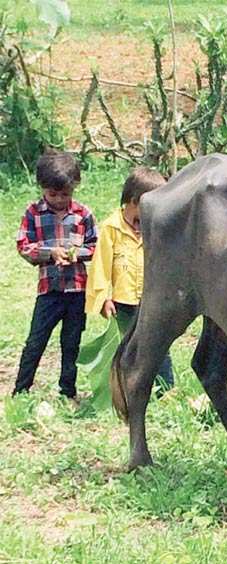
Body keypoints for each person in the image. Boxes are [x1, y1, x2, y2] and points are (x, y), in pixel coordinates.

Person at [13, 150, 97, 401]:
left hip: (76, 290)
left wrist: (76, 254)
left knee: (71, 343)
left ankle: (67, 391)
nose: (59, 199)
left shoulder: (83, 214)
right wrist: (50, 253)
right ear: (42, 188)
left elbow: (95, 246)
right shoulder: (33, 213)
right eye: (53, 194)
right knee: (35, 341)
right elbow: (23, 246)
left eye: (65, 194)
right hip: (49, 291)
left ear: (75, 188)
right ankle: (21, 390)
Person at [84, 167, 175, 396]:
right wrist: (104, 298)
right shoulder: (111, 228)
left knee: (159, 344)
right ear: (134, 202)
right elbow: (101, 265)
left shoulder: (156, 228)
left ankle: (166, 390)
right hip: (123, 300)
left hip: (151, 299)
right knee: (128, 346)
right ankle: (127, 389)